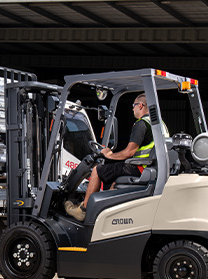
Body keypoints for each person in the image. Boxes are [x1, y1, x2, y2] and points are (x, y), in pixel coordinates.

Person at [64, 93, 166, 221]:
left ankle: (83, 210)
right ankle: (106, 209)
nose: (132, 109)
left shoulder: (141, 124)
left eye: (133, 106)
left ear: (140, 106)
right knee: (112, 175)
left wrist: (109, 154)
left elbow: (129, 152)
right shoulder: (160, 124)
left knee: (97, 170)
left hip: (140, 168)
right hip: (151, 168)